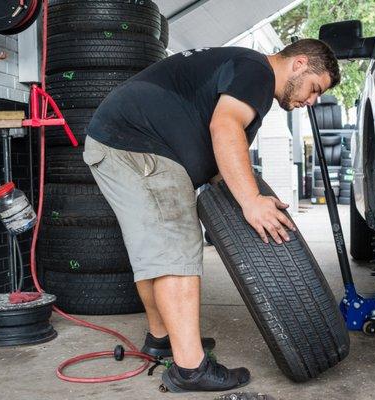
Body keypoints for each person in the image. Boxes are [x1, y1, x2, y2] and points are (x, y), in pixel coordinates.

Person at [83, 38, 340, 392]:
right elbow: (224, 128)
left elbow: (217, 150)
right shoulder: (258, 73)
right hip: (139, 143)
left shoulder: (245, 72)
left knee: (154, 249)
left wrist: (238, 193)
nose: (311, 101)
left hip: (121, 140)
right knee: (176, 245)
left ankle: (162, 340)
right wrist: (251, 200)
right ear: (298, 64)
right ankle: (190, 369)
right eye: (315, 88)